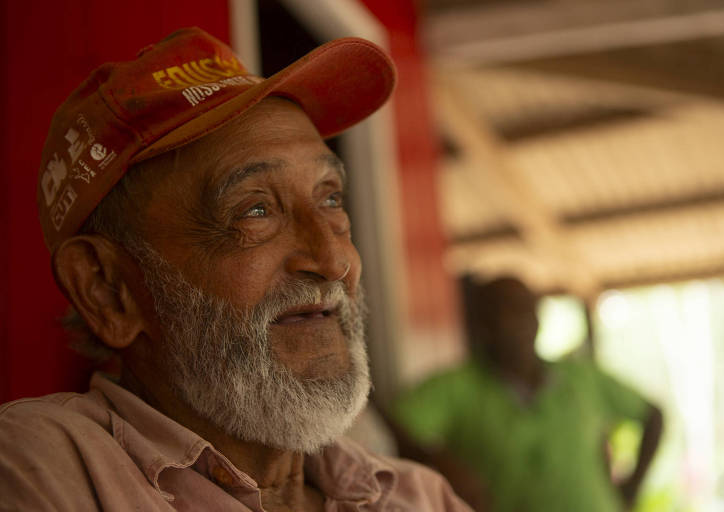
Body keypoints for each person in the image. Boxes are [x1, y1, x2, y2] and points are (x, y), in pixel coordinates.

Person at [0, 27, 471, 512]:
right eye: (254, 210)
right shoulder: (38, 467)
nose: (333, 262)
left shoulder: (418, 497)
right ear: (107, 289)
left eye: (330, 198)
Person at [395, 276, 663, 512]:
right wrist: (438, 462)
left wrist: (630, 490)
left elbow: (654, 416)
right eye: (505, 310)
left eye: (526, 308)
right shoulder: (457, 387)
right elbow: (391, 422)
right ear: (482, 325)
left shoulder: (581, 378)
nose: (519, 320)